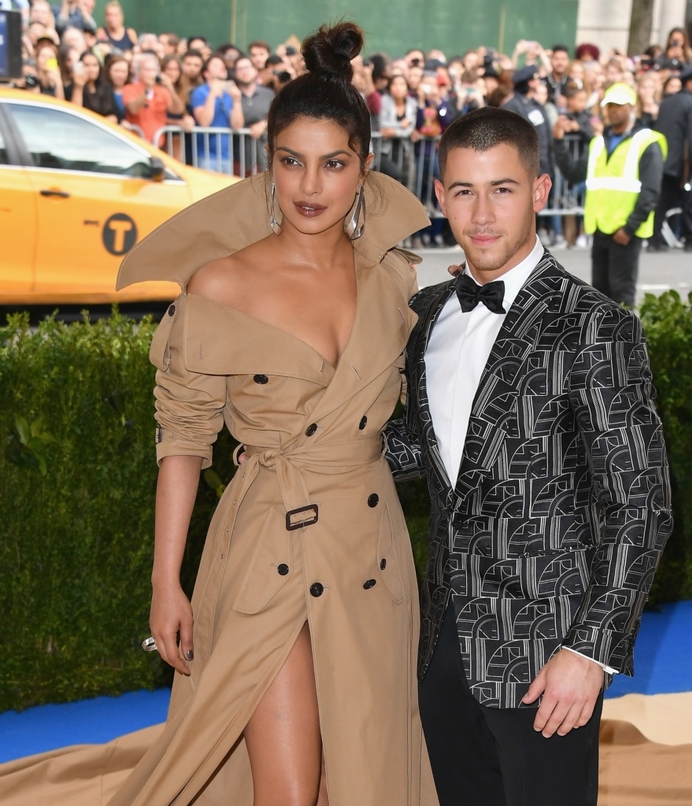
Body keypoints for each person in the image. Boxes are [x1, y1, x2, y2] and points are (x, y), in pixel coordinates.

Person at [0, 20, 438, 806]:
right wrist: (166, 582)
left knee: (363, 778)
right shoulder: (219, 285)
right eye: (291, 162)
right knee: (289, 791)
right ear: (265, 166)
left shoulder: (393, 282)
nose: (311, 185)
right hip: (265, 546)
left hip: (371, 555)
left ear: (364, 168)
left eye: (334, 164)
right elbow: (183, 444)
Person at [385, 105, 672, 806]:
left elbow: (641, 504)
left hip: (550, 651)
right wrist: (285, 446)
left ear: (540, 192)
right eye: (463, 191)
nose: (481, 214)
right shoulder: (427, 316)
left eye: (502, 189)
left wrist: (592, 651)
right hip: (442, 642)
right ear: (440, 194)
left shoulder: (597, 326)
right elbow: (408, 448)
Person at [553, 82, 666, 307]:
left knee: (622, 293)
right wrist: (558, 142)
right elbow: (575, 174)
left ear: (632, 107)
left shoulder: (645, 142)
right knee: (599, 295)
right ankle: (603, 342)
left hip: (625, 231)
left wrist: (629, 228)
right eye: (609, 105)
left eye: (619, 105)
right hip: (601, 228)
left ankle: (624, 342)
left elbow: (650, 191)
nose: (613, 110)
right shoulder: (597, 143)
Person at [650, 64, 692, 252]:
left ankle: (654, 239)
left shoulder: (667, 102)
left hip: (664, 159)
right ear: (690, 82)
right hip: (683, 163)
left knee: (661, 201)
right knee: (690, 199)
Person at [190, 54, 244, 172]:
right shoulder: (200, 92)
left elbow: (237, 126)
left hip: (226, 155)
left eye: (222, 65)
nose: (222, 67)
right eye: (216, 65)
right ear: (206, 73)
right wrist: (212, 94)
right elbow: (204, 122)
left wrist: (237, 101)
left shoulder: (228, 94)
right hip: (205, 155)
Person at [123, 51, 184, 145]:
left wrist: (170, 88)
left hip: (158, 144)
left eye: (153, 70)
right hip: (136, 143)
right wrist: (147, 90)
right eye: (147, 70)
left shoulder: (162, 90)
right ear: (138, 72)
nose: (151, 73)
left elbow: (178, 109)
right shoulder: (130, 88)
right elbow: (133, 109)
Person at [232, 54, 274, 175]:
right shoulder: (231, 95)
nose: (245, 71)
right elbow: (236, 125)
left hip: (264, 152)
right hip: (239, 154)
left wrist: (263, 124)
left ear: (255, 70)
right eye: (240, 69)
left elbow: (277, 116)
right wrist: (236, 100)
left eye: (247, 67)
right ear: (235, 73)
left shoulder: (268, 93)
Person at [378, 73, 418, 183]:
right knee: (393, 175)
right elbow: (383, 125)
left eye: (401, 84)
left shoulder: (412, 104)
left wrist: (393, 132)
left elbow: (409, 129)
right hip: (384, 150)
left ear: (407, 87)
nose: (398, 87)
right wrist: (401, 125)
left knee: (405, 182)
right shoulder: (384, 101)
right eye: (394, 84)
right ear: (390, 87)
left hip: (404, 149)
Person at [70, 49, 117, 121]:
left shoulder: (106, 87)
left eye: (95, 65)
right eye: (87, 65)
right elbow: (74, 115)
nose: (91, 69)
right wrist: (78, 87)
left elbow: (113, 116)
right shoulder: (72, 87)